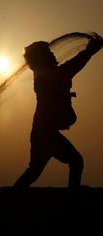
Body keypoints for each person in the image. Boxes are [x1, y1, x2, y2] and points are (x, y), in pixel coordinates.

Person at [14, 33, 103, 188]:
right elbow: (74, 65)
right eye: (49, 54)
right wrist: (90, 51)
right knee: (76, 161)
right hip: (45, 133)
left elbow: (72, 66)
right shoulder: (48, 76)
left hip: (42, 132)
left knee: (34, 172)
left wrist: (90, 51)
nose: (53, 55)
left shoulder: (45, 75)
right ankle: (72, 201)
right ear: (42, 59)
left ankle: (9, 199)